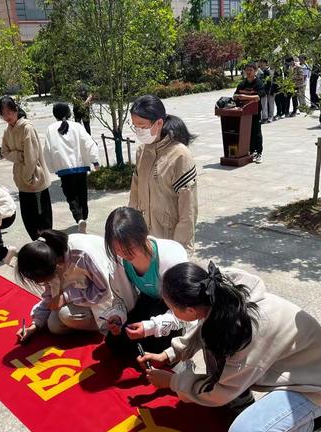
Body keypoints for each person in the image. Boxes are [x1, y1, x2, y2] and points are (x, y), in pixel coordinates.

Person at [138, 261, 321, 432]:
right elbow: (204, 328)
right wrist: (169, 354)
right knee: (215, 348)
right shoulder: (215, 290)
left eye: (172, 309)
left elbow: (220, 393)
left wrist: (173, 382)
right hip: (291, 366)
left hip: (314, 386)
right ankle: (241, 402)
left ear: (190, 310)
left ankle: (314, 423)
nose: (172, 312)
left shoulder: (245, 330)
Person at [102, 206, 194, 355]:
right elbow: (121, 299)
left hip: (172, 308)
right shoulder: (119, 262)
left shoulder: (171, 258)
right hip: (146, 302)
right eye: (117, 249)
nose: (123, 254)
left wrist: (150, 327)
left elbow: (187, 309)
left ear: (143, 236)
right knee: (114, 342)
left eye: (129, 248)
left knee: (157, 347)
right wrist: (118, 316)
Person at [15, 229, 133, 342]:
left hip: (110, 298)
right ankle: (87, 321)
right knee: (54, 325)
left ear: (55, 266)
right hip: (83, 298)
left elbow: (104, 291)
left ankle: (107, 324)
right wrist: (35, 325)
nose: (41, 284)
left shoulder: (82, 256)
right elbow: (48, 297)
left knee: (65, 315)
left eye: (40, 281)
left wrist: (66, 296)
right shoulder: (49, 259)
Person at [129, 94, 198, 251]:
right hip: (143, 240)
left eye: (143, 126)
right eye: (135, 126)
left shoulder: (179, 155)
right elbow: (134, 195)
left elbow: (188, 210)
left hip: (169, 241)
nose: (139, 131)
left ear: (159, 123)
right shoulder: (142, 152)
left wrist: (181, 250)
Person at [0, 96, 52, 240]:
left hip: (35, 181)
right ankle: (38, 250)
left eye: (9, 112)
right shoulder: (7, 131)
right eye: (3, 114)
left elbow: (32, 157)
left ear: (16, 110)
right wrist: (18, 156)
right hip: (22, 183)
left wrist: (28, 177)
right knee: (29, 219)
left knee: (42, 222)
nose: (7, 116)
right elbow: (4, 152)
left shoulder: (27, 127)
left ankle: (49, 252)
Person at [43, 102, 99, 234]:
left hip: (64, 169)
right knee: (82, 193)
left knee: (71, 195)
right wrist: (95, 160)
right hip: (81, 166)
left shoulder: (51, 129)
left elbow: (47, 150)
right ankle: (84, 217)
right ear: (69, 113)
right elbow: (88, 142)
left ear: (55, 115)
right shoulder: (77, 126)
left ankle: (79, 218)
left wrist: (51, 167)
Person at [234, 63, 265, 163]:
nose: (248, 72)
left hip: (255, 112)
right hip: (243, 112)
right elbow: (235, 95)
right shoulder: (242, 84)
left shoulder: (259, 83)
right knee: (247, 131)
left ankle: (258, 152)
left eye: (250, 70)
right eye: (246, 70)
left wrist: (244, 97)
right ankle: (250, 151)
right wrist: (236, 97)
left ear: (255, 71)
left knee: (256, 132)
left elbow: (258, 97)